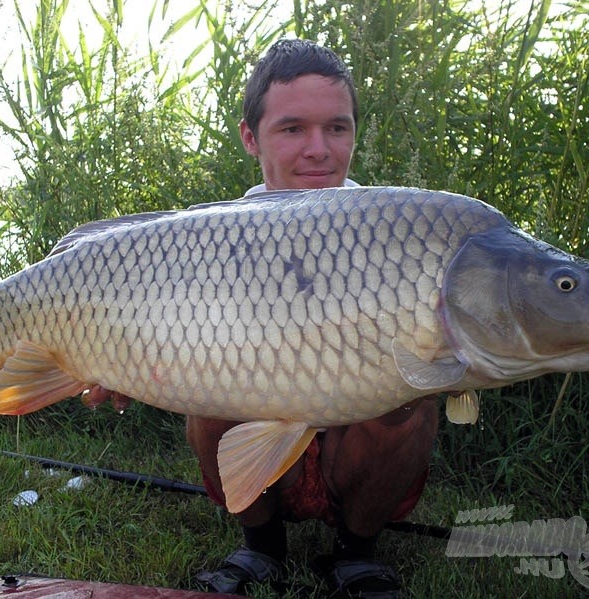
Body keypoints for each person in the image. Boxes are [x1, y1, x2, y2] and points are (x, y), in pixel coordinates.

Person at [188, 39, 439, 598]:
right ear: (251, 138)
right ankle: (261, 547)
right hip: (263, 448)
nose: (319, 150)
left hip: (356, 453)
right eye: (293, 128)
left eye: (338, 128)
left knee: (413, 395)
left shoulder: (396, 233)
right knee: (205, 384)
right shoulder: (212, 241)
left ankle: (356, 555)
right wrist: (104, 363)